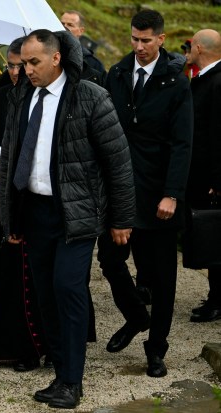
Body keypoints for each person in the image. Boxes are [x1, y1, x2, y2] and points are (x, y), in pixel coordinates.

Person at [0, 30, 134, 409]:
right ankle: (61, 373)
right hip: (34, 212)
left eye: (34, 62)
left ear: (56, 58)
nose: (26, 70)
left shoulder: (90, 97)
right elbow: (10, 157)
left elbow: (119, 163)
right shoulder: (21, 96)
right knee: (45, 295)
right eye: (23, 63)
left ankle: (72, 381)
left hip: (76, 213)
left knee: (68, 289)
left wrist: (122, 218)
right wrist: (11, 220)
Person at [101, 9, 193, 378]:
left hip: (158, 193)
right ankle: (137, 315)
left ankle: (156, 348)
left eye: (146, 40)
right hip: (120, 189)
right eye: (134, 39)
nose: (139, 46)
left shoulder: (176, 82)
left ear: (161, 39)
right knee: (109, 259)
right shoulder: (117, 73)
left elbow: (183, 143)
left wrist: (172, 193)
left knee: (161, 277)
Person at [0, 38, 48, 371]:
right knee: (6, 270)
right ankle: (12, 345)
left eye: (23, 65)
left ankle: (45, 343)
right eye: (11, 65)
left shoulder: (49, 99)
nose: (16, 71)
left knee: (41, 273)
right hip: (8, 196)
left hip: (40, 195)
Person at [185, 29, 221, 322]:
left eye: (190, 46)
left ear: (198, 48)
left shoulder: (217, 82)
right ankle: (215, 296)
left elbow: (218, 135)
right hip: (205, 176)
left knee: (214, 238)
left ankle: (218, 301)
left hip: (211, 180)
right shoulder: (205, 79)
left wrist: (216, 182)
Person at [60, 10, 106, 77]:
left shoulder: (93, 64)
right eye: (62, 24)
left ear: (81, 31)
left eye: (70, 25)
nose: (64, 27)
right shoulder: (47, 51)